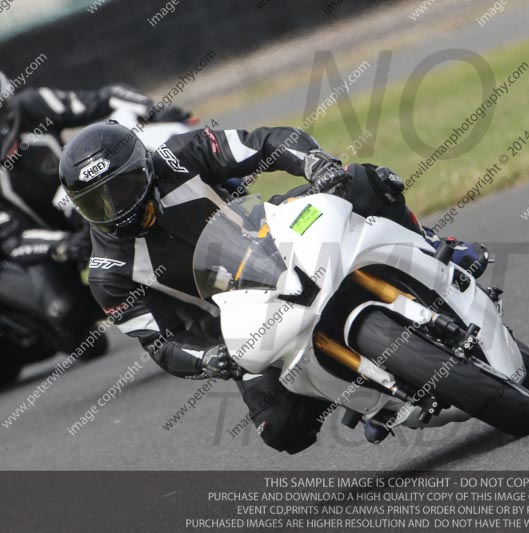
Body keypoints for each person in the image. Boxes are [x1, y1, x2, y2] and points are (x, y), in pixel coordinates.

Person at [58, 120, 494, 453]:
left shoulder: (178, 155)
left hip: (277, 237)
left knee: (361, 180)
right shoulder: (108, 273)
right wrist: (207, 358)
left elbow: (265, 142)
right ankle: (350, 390)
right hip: (242, 326)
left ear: (144, 169)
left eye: (123, 189)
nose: (115, 209)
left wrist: (313, 162)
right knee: (281, 430)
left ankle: (436, 246)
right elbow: (161, 342)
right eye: (97, 202)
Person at [0, 71, 189, 352]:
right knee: (64, 313)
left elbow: (108, 96)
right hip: (53, 245)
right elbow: (13, 240)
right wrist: (64, 245)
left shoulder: (35, 104)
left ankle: (172, 279)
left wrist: (152, 110)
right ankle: (122, 305)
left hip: (89, 204)